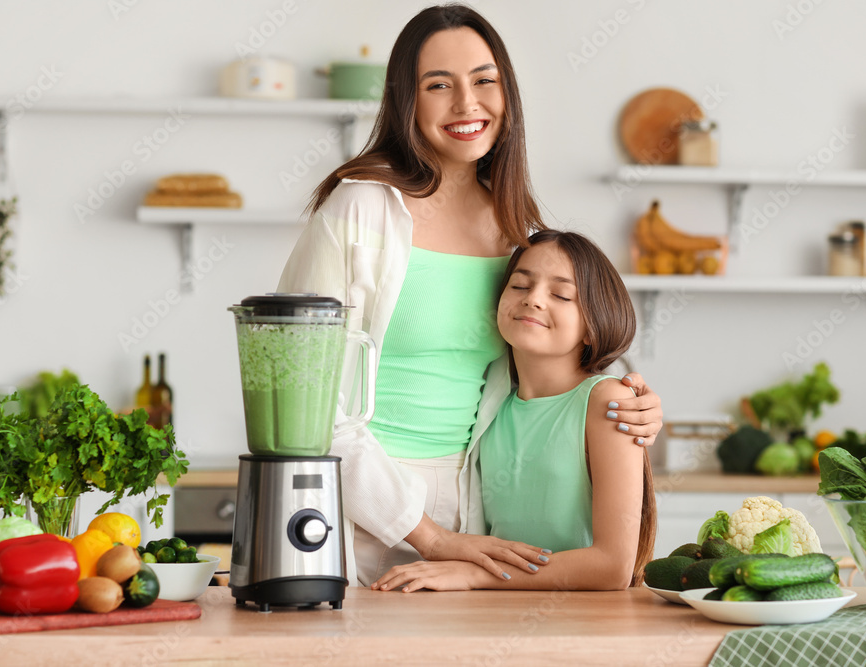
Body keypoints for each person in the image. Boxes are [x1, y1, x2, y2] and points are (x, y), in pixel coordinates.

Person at [277, 4, 663, 586]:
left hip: (468, 502)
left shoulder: (515, 229)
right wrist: (432, 540)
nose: (467, 105)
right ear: (407, 101)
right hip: (348, 501)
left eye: (485, 81)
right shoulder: (360, 209)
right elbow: (298, 393)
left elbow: (546, 370)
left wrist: (631, 407)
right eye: (439, 86)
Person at [373, 230, 657, 593]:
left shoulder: (606, 402)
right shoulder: (491, 405)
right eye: (520, 286)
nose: (534, 300)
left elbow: (612, 566)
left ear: (592, 324)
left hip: (583, 622)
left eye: (561, 294)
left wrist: (475, 574)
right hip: (498, 614)